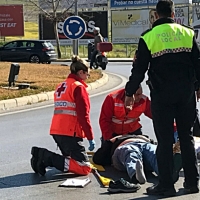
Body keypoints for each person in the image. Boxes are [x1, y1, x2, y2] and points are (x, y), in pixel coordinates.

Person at [124, 0, 200, 196]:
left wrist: (130, 92)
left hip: (162, 95)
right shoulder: (187, 33)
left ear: (156, 15)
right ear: (173, 14)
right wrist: (198, 87)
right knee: (186, 138)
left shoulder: (149, 37)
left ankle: (166, 185)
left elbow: (139, 69)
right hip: (186, 94)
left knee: (165, 141)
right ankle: (192, 183)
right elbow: (197, 64)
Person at [30, 55, 96, 176]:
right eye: (88, 74)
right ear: (81, 72)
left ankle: (41, 159)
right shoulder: (78, 88)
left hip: (57, 129)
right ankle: (45, 156)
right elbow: (83, 115)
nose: (88, 77)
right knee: (84, 168)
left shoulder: (62, 86)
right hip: (70, 132)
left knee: (69, 161)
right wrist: (90, 137)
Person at [93, 134, 182, 193]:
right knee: (131, 152)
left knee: (154, 153)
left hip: (145, 144)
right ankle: (136, 174)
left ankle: (168, 172)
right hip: (124, 148)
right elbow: (97, 158)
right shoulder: (115, 141)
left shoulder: (140, 135)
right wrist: (111, 141)